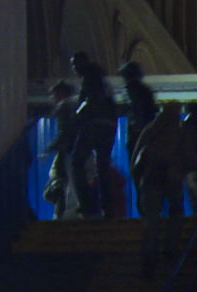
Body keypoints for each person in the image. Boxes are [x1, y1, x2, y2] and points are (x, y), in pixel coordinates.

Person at [132, 106, 187, 278]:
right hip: (172, 178)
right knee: (176, 211)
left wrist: (137, 187)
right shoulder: (179, 131)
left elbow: (136, 159)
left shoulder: (150, 129)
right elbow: (186, 157)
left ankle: (149, 259)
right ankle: (171, 250)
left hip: (150, 178)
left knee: (151, 218)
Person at [69, 52, 118, 218]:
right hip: (108, 126)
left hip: (93, 125)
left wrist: (76, 117)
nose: (74, 68)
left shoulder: (90, 77)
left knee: (77, 162)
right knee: (102, 166)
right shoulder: (102, 78)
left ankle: (87, 204)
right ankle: (107, 206)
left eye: (76, 64)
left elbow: (90, 101)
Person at [45, 81, 80, 219]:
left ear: (61, 93)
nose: (53, 98)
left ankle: (66, 215)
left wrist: (51, 147)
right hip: (79, 149)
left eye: (54, 94)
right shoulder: (76, 105)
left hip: (69, 151)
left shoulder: (65, 106)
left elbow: (64, 131)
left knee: (64, 183)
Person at [118, 61, 158, 159]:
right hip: (148, 131)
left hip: (138, 132)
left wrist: (137, 128)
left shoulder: (131, 89)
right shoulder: (145, 90)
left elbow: (136, 108)